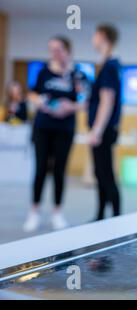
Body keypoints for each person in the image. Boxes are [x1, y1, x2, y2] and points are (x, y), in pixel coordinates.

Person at [24, 36, 87, 232]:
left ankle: (57, 212)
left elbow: (84, 101)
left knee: (59, 170)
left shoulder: (78, 75)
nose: (54, 53)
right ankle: (34, 211)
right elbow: (32, 93)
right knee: (41, 168)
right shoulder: (43, 72)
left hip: (65, 129)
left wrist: (71, 106)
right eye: (51, 49)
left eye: (58, 49)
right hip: (43, 127)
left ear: (67, 51)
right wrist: (39, 101)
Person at [87, 24, 122, 221]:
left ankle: (117, 217)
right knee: (100, 173)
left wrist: (97, 131)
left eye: (95, 35)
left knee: (106, 174)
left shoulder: (109, 66)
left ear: (103, 37)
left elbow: (107, 101)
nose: (93, 39)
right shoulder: (111, 65)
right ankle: (100, 215)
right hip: (105, 128)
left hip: (104, 129)